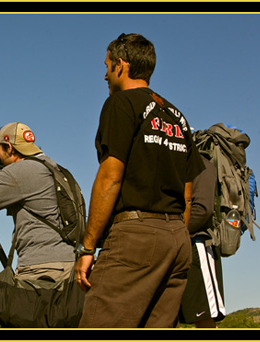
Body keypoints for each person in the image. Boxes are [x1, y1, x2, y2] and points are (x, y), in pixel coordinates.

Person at [74, 33, 205, 328]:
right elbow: (187, 194)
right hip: (177, 240)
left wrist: (87, 248)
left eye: (107, 66)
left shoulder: (121, 104)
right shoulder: (177, 117)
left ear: (121, 65)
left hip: (135, 237)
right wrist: (175, 237)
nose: (104, 75)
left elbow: (110, 178)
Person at [0, 122, 76, 282]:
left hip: (42, 268)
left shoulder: (20, 171)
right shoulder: (54, 167)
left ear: (9, 148)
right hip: (72, 264)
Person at [179, 155, 226, 328]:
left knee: (204, 315)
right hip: (180, 243)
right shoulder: (179, 164)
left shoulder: (201, 164)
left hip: (199, 246)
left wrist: (175, 231)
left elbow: (203, 210)